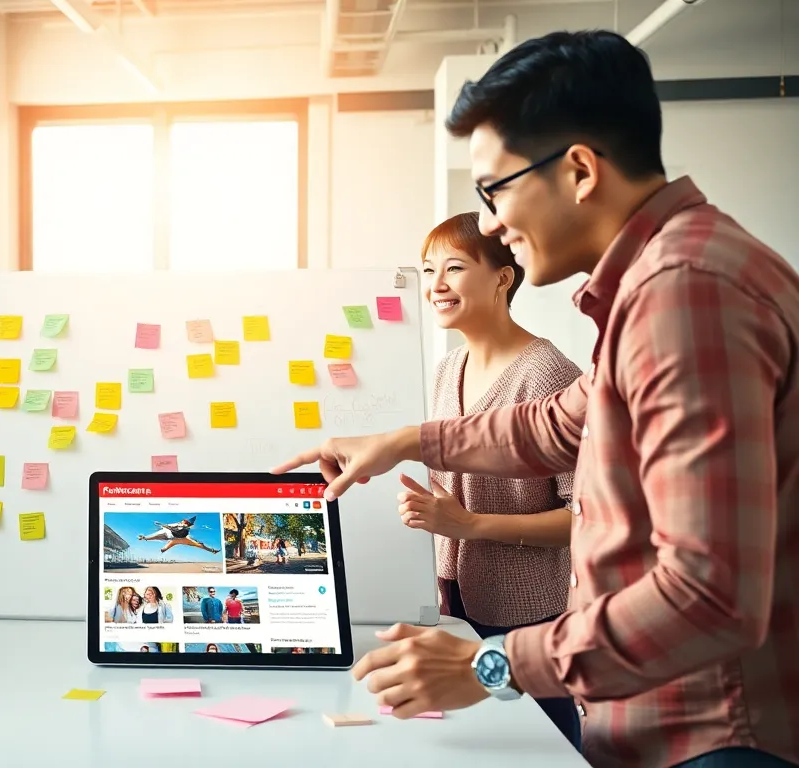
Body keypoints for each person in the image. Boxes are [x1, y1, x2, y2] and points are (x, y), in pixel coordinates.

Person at [275, 30, 799, 768]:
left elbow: (711, 596)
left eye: (495, 190)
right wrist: (398, 442)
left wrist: (492, 667)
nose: (489, 221)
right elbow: (557, 424)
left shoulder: (688, 294)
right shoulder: (666, 281)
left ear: (579, 170)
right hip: (667, 720)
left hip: (709, 737)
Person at [411, 211, 583, 749]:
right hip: (452, 599)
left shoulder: (548, 374)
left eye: (454, 268)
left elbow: (586, 520)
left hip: (528, 613)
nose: (436, 285)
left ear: (503, 277)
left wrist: (468, 524)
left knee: (541, 747)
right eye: (427, 269)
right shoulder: (446, 370)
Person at [138, 516, 220, 554]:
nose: (185, 523)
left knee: (199, 545)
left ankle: (212, 551)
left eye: (187, 523)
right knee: (158, 535)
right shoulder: (177, 524)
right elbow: (167, 527)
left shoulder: (187, 529)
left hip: (181, 539)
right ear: (183, 521)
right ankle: (147, 539)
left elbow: (196, 541)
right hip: (169, 534)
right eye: (185, 522)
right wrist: (145, 537)